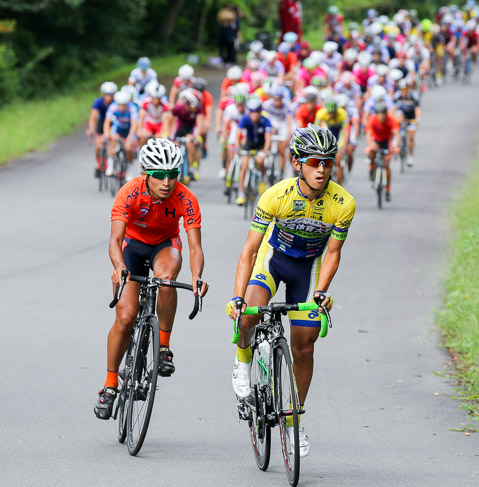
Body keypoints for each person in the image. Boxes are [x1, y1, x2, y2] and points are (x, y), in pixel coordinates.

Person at [226, 123, 355, 457]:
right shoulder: (276, 195)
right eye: (314, 162)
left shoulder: (343, 203)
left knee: (305, 347)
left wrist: (321, 292)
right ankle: (242, 362)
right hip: (273, 261)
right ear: (298, 162)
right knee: (247, 320)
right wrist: (238, 297)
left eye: (328, 161)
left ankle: (293, 421)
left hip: (306, 272)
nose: (322, 169)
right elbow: (250, 250)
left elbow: (333, 254)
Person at [94, 138, 209, 420]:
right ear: (146, 173)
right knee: (126, 316)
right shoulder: (129, 192)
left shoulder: (185, 198)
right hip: (131, 247)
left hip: (164, 245)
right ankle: (109, 385)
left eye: (173, 174)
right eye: (159, 175)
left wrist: (196, 277)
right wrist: (119, 266)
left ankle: (164, 346)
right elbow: (115, 240)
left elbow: (195, 247)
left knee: (167, 278)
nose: (167, 181)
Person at [236, 97, 272, 204]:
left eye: (256, 112)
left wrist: (266, 149)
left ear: (260, 111)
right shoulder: (245, 119)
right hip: (249, 143)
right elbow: (238, 134)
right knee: (244, 166)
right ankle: (241, 192)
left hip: (261, 144)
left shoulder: (265, 121)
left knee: (260, 160)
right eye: (252, 112)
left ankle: (261, 178)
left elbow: (268, 137)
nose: (254, 114)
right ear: (249, 112)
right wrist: (237, 147)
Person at [365, 102, 400, 202]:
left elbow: (397, 135)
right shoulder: (372, 119)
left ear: (385, 113)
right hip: (376, 140)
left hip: (386, 141)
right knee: (371, 153)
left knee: (387, 164)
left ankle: (388, 190)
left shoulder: (391, 120)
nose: (380, 116)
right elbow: (368, 135)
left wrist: (395, 146)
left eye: (382, 114)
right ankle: (372, 168)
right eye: (378, 114)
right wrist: (370, 145)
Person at [103, 90, 139, 177]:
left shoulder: (132, 108)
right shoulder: (112, 107)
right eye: (119, 105)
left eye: (123, 105)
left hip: (128, 129)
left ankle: (128, 172)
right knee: (113, 141)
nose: (121, 107)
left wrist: (130, 138)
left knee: (128, 148)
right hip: (118, 129)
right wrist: (106, 133)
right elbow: (107, 122)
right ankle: (110, 167)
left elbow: (134, 124)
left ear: (127, 104)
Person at [87, 81, 118, 177]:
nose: (109, 97)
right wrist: (91, 128)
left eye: (111, 95)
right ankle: (98, 164)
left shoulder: (116, 103)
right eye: (107, 95)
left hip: (112, 123)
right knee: (99, 146)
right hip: (101, 123)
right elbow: (93, 116)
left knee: (113, 143)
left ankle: (111, 163)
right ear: (103, 94)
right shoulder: (98, 102)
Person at [137, 81, 170, 148]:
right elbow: (141, 117)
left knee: (161, 140)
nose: (156, 100)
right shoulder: (146, 103)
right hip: (150, 124)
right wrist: (139, 130)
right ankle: (141, 154)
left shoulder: (164, 105)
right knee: (143, 138)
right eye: (154, 98)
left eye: (158, 98)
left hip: (159, 125)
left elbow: (165, 120)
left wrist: (162, 133)